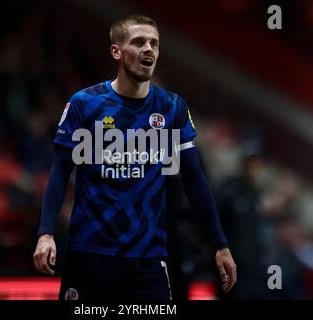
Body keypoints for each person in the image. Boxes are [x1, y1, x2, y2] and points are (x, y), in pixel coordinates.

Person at [33, 15, 236, 301]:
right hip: (91, 254)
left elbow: (194, 179)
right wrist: (46, 233)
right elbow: (59, 172)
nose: (149, 49)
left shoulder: (172, 107)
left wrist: (220, 244)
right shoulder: (84, 103)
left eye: (154, 43)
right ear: (116, 51)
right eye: (139, 42)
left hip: (148, 260)